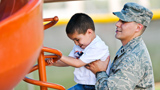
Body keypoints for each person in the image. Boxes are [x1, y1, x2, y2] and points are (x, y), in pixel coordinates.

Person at [86, 2, 155, 90]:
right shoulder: (131, 47)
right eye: (119, 20)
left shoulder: (133, 57)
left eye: (124, 21)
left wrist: (100, 72)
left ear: (138, 28)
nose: (117, 24)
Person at [46, 13, 111, 90]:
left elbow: (78, 63)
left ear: (89, 32)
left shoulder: (98, 46)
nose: (76, 43)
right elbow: (70, 61)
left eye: (77, 39)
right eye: (73, 40)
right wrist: (54, 62)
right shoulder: (80, 45)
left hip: (96, 86)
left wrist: (60, 56)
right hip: (83, 85)